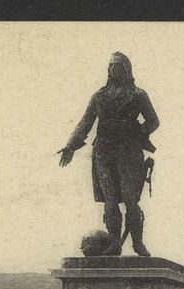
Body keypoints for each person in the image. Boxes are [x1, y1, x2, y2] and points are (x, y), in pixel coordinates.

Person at [58, 52, 159, 257]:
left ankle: (138, 243)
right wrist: (70, 146)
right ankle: (114, 243)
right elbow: (85, 123)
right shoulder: (99, 96)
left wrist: (137, 132)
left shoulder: (138, 95)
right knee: (110, 200)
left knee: (131, 199)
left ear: (127, 69)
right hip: (103, 152)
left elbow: (153, 121)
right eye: (111, 66)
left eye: (119, 66)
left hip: (128, 152)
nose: (114, 69)